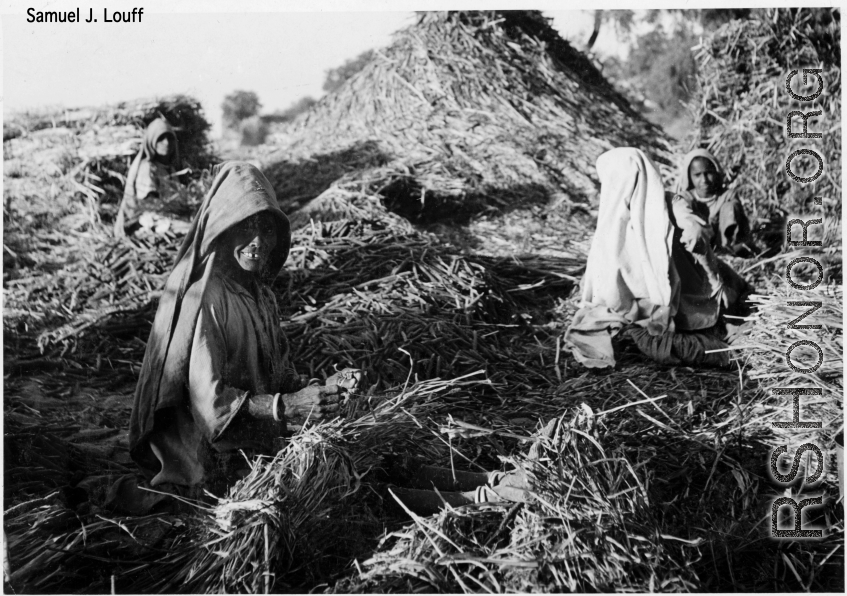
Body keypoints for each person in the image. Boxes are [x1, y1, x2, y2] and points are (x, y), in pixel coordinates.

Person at [109, 162, 360, 514]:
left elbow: (280, 378)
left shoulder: (262, 296)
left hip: (254, 443)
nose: (257, 244)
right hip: (206, 462)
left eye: (267, 231)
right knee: (330, 496)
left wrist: (323, 390)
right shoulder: (206, 298)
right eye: (245, 228)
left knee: (356, 470)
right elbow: (212, 409)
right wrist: (287, 407)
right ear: (223, 230)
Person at [564, 147, 753, 370]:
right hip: (656, 304)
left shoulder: (659, 206)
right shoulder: (620, 213)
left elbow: (695, 235)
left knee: (668, 344)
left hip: (685, 297)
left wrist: (714, 281)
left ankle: (730, 353)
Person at [677, 148, 754, 256]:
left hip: (729, 250)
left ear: (716, 172)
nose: (704, 180)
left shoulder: (727, 196)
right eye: (697, 175)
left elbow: (742, 228)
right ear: (689, 176)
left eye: (708, 173)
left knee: (731, 206)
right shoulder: (686, 198)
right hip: (700, 253)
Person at [114, 118, 182, 237]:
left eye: (170, 138)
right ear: (151, 141)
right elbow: (148, 205)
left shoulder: (170, 169)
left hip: (165, 217)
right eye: (160, 138)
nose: (166, 143)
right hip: (144, 222)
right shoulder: (148, 168)